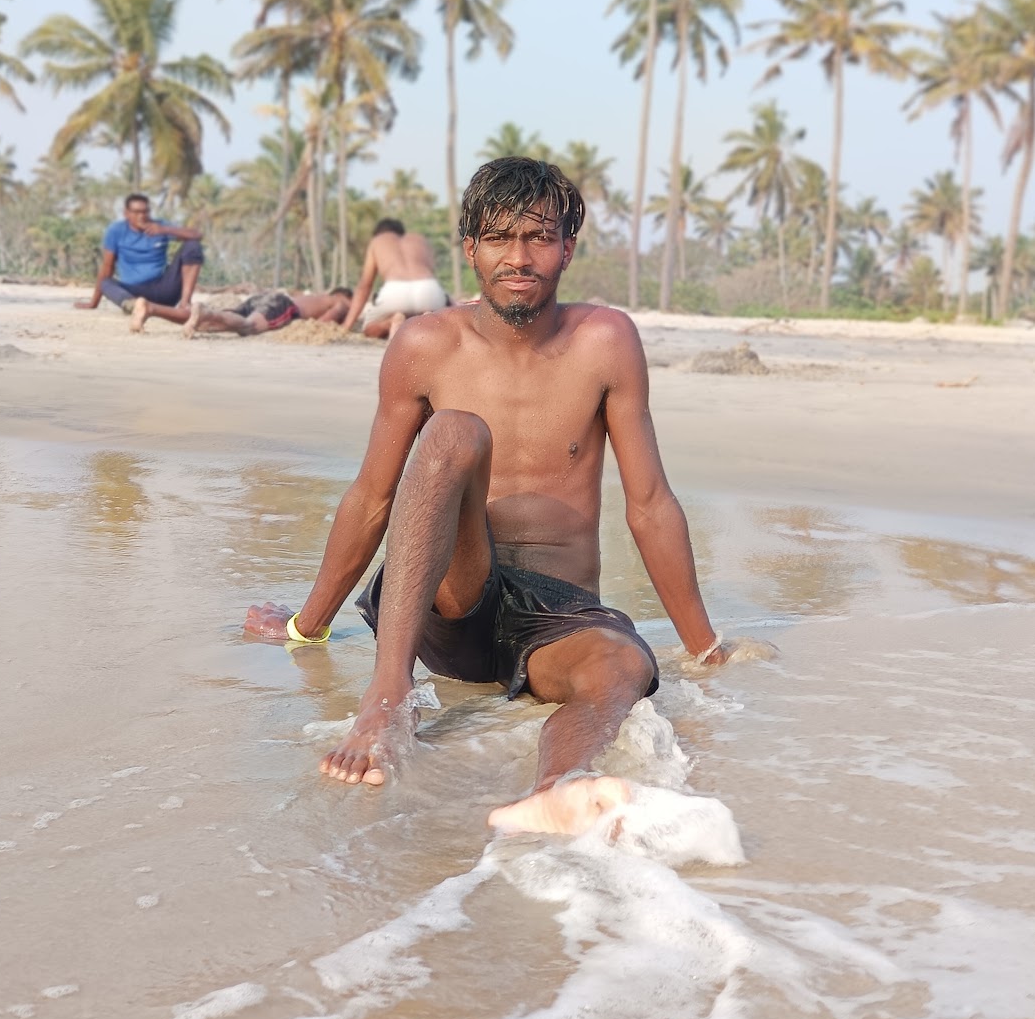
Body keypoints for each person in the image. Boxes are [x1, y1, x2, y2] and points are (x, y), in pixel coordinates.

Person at [246, 156, 725, 836]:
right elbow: (372, 495)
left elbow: (649, 503)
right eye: (499, 238)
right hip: (449, 598)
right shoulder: (425, 344)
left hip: (555, 618)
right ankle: (387, 697)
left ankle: (558, 787)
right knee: (454, 432)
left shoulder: (606, 341)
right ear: (470, 249)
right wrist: (305, 626)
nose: (519, 257)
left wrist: (705, 648)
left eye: (538, 237)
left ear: (567, 247)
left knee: (623, 664)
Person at [76, 194, 204, 319]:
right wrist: (93, 303)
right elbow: (107, 267)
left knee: (192, 245)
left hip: (163, 288)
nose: (142, 216)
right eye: (136, 212)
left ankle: (185, 304)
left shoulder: (159, 225)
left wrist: (165, 230)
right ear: (126, 213)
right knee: (105, 282)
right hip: (133, 292)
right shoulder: (116, 231)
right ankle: (134, 306)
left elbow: (197, 235)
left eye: (145, 211)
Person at [340, 218, 448, 340]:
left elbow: (365, 286)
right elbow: (431, 273)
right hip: (429, 289)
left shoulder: (377, 241)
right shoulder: (419, 240)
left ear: (378, 233)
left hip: (395, 291)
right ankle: (426, 317)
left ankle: (391, 322)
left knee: (368, 328)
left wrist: (346, 326)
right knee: (422, 315)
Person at [153, 287, 352, 337]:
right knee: (249, 327)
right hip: (281, 305)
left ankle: (151, 308)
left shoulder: (319, 297)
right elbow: (326, 321)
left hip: (264, 297)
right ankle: (204, 311)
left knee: (223, 320)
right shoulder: (341, 301)